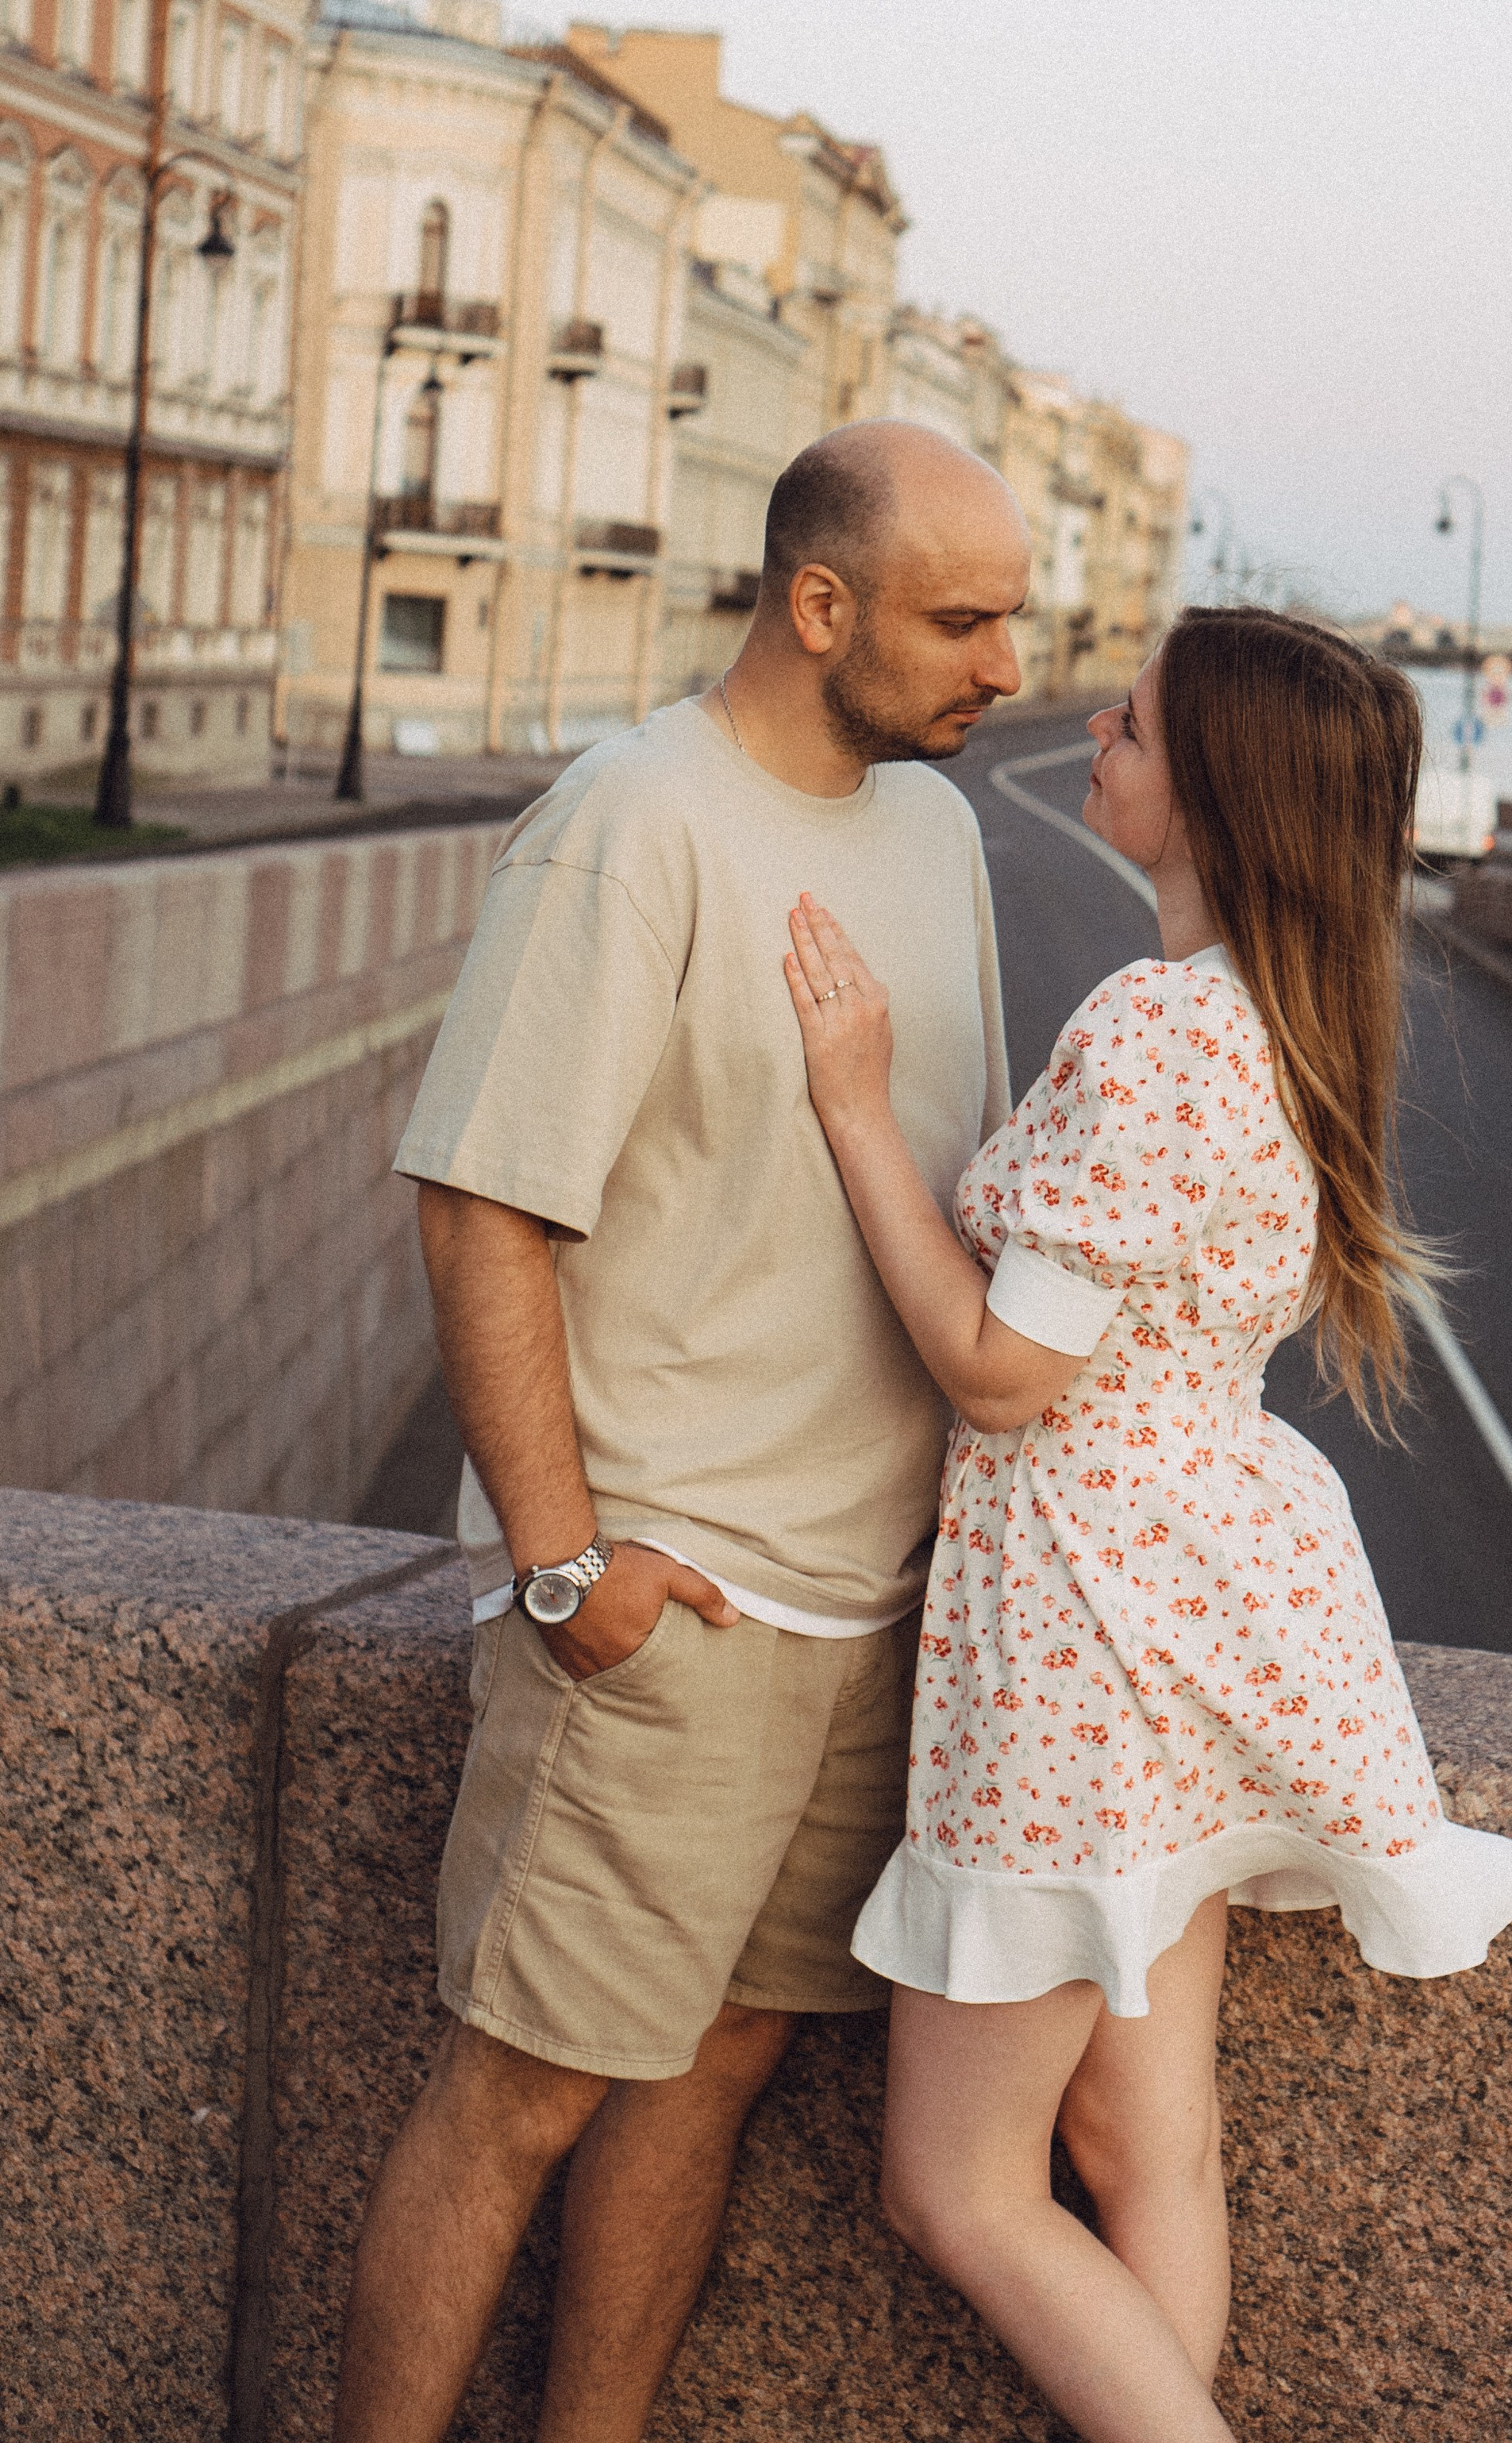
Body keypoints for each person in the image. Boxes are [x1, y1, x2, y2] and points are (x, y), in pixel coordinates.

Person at [334, 422, 1032, 2443]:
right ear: (818, 607)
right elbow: (482, 1194)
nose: (1003, 666)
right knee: (521, 2094)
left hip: (871, 1605)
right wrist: (565, 1566)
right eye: (960, 620)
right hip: (676, 1599)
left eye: (1011, 619)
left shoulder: (943, 834)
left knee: (719, 2061)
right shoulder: (631, 820)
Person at [780, 604, 1512, 2443]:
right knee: (1142, 2147)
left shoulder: (1154, 1028)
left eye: (1129, 721)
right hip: (1198, 1618)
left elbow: (994, 1373)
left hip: (1075, 1636)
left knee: (956, 2188)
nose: (1094, 730)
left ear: (1216, 792)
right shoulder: (1281, 1017)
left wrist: (855, 1108)